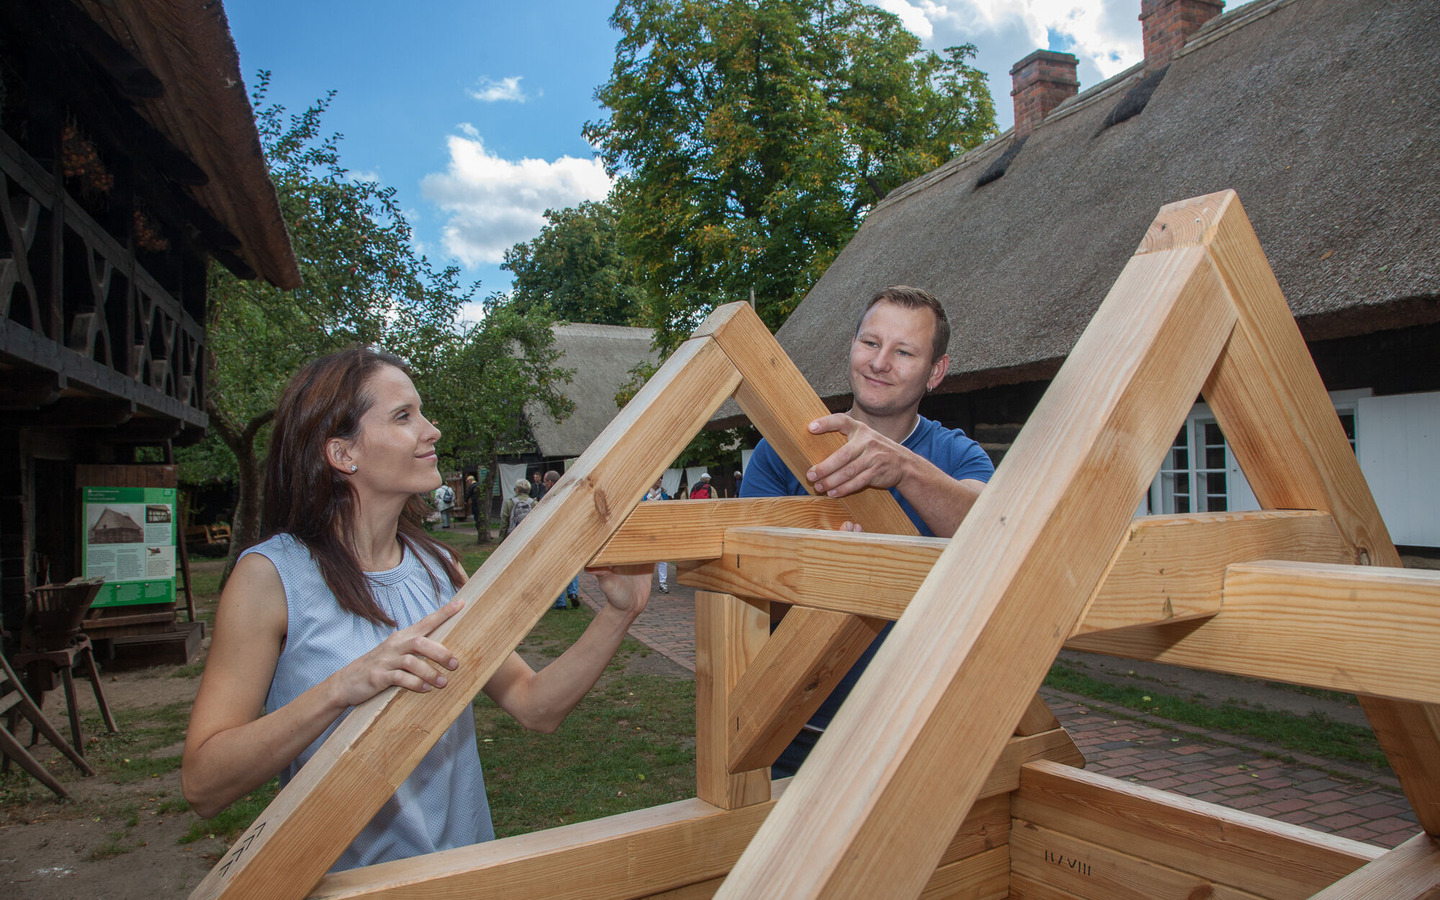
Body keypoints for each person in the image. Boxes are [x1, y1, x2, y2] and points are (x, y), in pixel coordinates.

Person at [180, 346, 650, 872]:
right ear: (342, 454)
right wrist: (342, 688)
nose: (433, 431)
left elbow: (534, 704)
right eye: (404, 416)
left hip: (464, 877)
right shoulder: (269, 577)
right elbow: (203, 784)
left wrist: (619, 614)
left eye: (421, 412)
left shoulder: (440, 567)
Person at [740, 285, 994, 777]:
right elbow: (745, 591)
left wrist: (903, 468)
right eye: (870, 343)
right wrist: (815, 572)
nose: (880, 362)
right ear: (852, 347)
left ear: (935, 372)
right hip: (788, 734)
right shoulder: (783, 450)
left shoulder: (958, 455)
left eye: (904, 352)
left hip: (912, 738)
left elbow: (995, 529)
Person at [542, 470, 580, 608]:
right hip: (569, 535)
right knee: (571, 566)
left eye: (545, 481)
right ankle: (573, 593)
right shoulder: (569, 494)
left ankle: (560, 602)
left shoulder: (549, 497)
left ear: (551, 482)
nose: (544, 484)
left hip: (554, 537)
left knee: (555, 568)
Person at [642, 479, 670, 593]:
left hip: (661, 529)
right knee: (646, 558)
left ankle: (663, 583)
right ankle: (643, 584)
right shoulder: (643, 495)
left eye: (661, 478)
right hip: (647, 530)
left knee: (663, 558)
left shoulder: (663, 495)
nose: (660, 480)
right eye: (658, 478)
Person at [464, 474, 483, 542]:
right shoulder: (479, 484)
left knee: (476, 513)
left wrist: (465, 501)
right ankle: (480, 525)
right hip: (481, 502)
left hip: (475, 501)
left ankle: (476, 525)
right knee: (480, 513)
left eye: (468, 481)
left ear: (471, 480)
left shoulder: (471, 486)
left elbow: (468, 494)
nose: (468, 482)